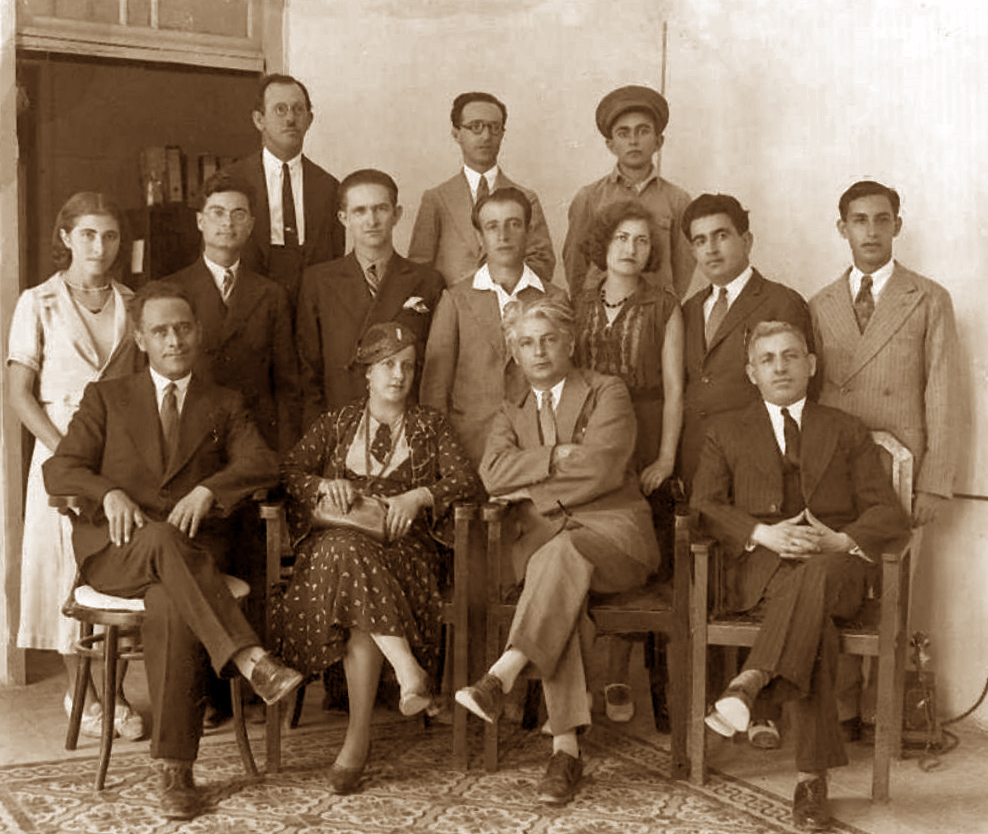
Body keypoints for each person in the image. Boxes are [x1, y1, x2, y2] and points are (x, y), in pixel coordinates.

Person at [43, 282, 303, 821]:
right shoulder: (107, 397)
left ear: (199, 333)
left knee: (168, 603)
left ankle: (174, 772)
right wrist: (107, 492)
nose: (174, 340)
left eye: (183, 328)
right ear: (141, 339)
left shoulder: (223, 402)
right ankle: (249, 657)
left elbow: (262, 463)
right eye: (160, 331)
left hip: (189, 561)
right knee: (160, 537)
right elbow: (60, 468)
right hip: (117, 554)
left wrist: (211, 489)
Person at [692, 321, 909, 831]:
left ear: (811, 365)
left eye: (791, 356)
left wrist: (839, 540)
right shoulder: (725, 430)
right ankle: (811, 780)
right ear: (752, 373)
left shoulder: (845, 429)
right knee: (813, 625)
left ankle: (751, 681)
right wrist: (763, 534)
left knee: (812, 580)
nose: (781, 367)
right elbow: (704, 503)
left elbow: (887, 513)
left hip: (837, 569)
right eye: (768, 359)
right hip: (763, 575)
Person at [456, 296, 660, 806]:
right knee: (559, 586)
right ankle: (565, 752)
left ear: (570, 342)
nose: (539, 351)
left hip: (617, 541)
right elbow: (491, 474)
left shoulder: (606, 392)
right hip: (555, 556)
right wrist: (554, 456)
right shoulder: (510, 411)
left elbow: (605, 467)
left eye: (548, 339)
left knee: (556, 559)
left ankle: (506, 669)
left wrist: (531, 482)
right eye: (526, 343)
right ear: (515, 354)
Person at [276, 322, 481, 795]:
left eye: (408, 365)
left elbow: (465, 480)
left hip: (402, 550)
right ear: (366, 372)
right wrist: (325, 484)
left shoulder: (431, 425)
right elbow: (290, 470)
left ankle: (359, 736)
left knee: (353, 587)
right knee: (345, 553)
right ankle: (406, 672)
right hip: (337, 546)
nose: (398, 374)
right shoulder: (336, 423)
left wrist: (419, 497)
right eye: (387, 364)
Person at [810, 180, 959, 738]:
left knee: (892, 588)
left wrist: (934, 483)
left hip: (901, 469)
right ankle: (842, 710)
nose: (870, 231)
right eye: (858, 220)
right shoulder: (820, 302)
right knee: (839, 581)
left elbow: (943, 393)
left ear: (897, 225)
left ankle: (883, 713)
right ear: (842, 227)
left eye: (881, 219)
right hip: (837, 466)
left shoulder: (928, 297)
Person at [7, 192, 144, 741]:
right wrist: (67, 454)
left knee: (111, 568)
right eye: (88, 234)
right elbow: (18, 394)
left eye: (109, 236)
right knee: (65, 570)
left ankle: (114, 695)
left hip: (117, 454)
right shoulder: (37, 302)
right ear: (66, 237)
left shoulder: (132, 302)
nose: (99, 246)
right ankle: (81, 698)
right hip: (60, 451)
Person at [572, 200, 684, 725]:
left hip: (644, 437)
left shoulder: (665, 305)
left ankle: (617, 673)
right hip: (593, 434)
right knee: (589, 536)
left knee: (634, 551)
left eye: (641, 240)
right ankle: (581, 676)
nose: (631, 249)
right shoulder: (578, 302)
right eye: (621, 238)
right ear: (604, 243)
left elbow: (675, 388)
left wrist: (664, 456)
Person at [420, 186, 567, 466]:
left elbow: (566, 381)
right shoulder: (456, 299)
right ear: (480, 236)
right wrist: (443, 453)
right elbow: (434, 389)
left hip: (537, 450)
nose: (503, 236)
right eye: (492, 226)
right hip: (470, 448)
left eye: (514, 224)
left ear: (528, 230)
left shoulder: (555, 298)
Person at [680, 193, 813, 488]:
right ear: (692, 251)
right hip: (695, 461)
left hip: (757, 464)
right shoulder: (689, 309)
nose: (711, 249)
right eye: (700, 241)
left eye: (721, 235)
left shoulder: (781, 302)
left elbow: (802, 393)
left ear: (747, 240)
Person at [164, 171, 301, 455]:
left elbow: (287, 385)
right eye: (217, 212)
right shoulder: (172, 290)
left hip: (254, 440)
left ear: (251, 225)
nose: (228, 222)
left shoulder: (271, 294)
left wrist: (286, 456)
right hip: (191, 440)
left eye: (239, 214)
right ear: (200, 221)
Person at [296, 169, 445, 429]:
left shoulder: (428, 281)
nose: (371, 220)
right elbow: (308, 371)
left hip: (405, 427)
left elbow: (434, 371)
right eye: (360, 211)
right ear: (343, 218)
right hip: (339, 424)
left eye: (380, 209)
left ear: (396, 214)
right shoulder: (318, 281)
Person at [408, 91, 555, 287]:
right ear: (456, 134)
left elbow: (542, 261)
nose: (486, 136)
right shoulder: (436, 198)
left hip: (511, 309)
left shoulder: (526, 198)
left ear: (502, 133)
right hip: (453, 310)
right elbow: (420, 268)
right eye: (475, 127)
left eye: (494, 128)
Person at [224, 74, 345, 310]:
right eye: (280, 109)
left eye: (298, 110)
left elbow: (334, 260)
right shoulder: (231, 181)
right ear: (259, 120)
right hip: (249, 309)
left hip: (311, 311)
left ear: (309, 120)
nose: (290, 118)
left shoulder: (329, 187)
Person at [563, 84, 694, 299]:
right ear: (610, 145)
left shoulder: (678, 200)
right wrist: (584, 308)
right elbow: (575, 265)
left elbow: (683, 267)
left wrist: (665, 308)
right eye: (623, 133)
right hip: (602, 312)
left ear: (658, 141)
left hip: (656, 316)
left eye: (643, 131)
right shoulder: (589, 197)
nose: (633, 141)